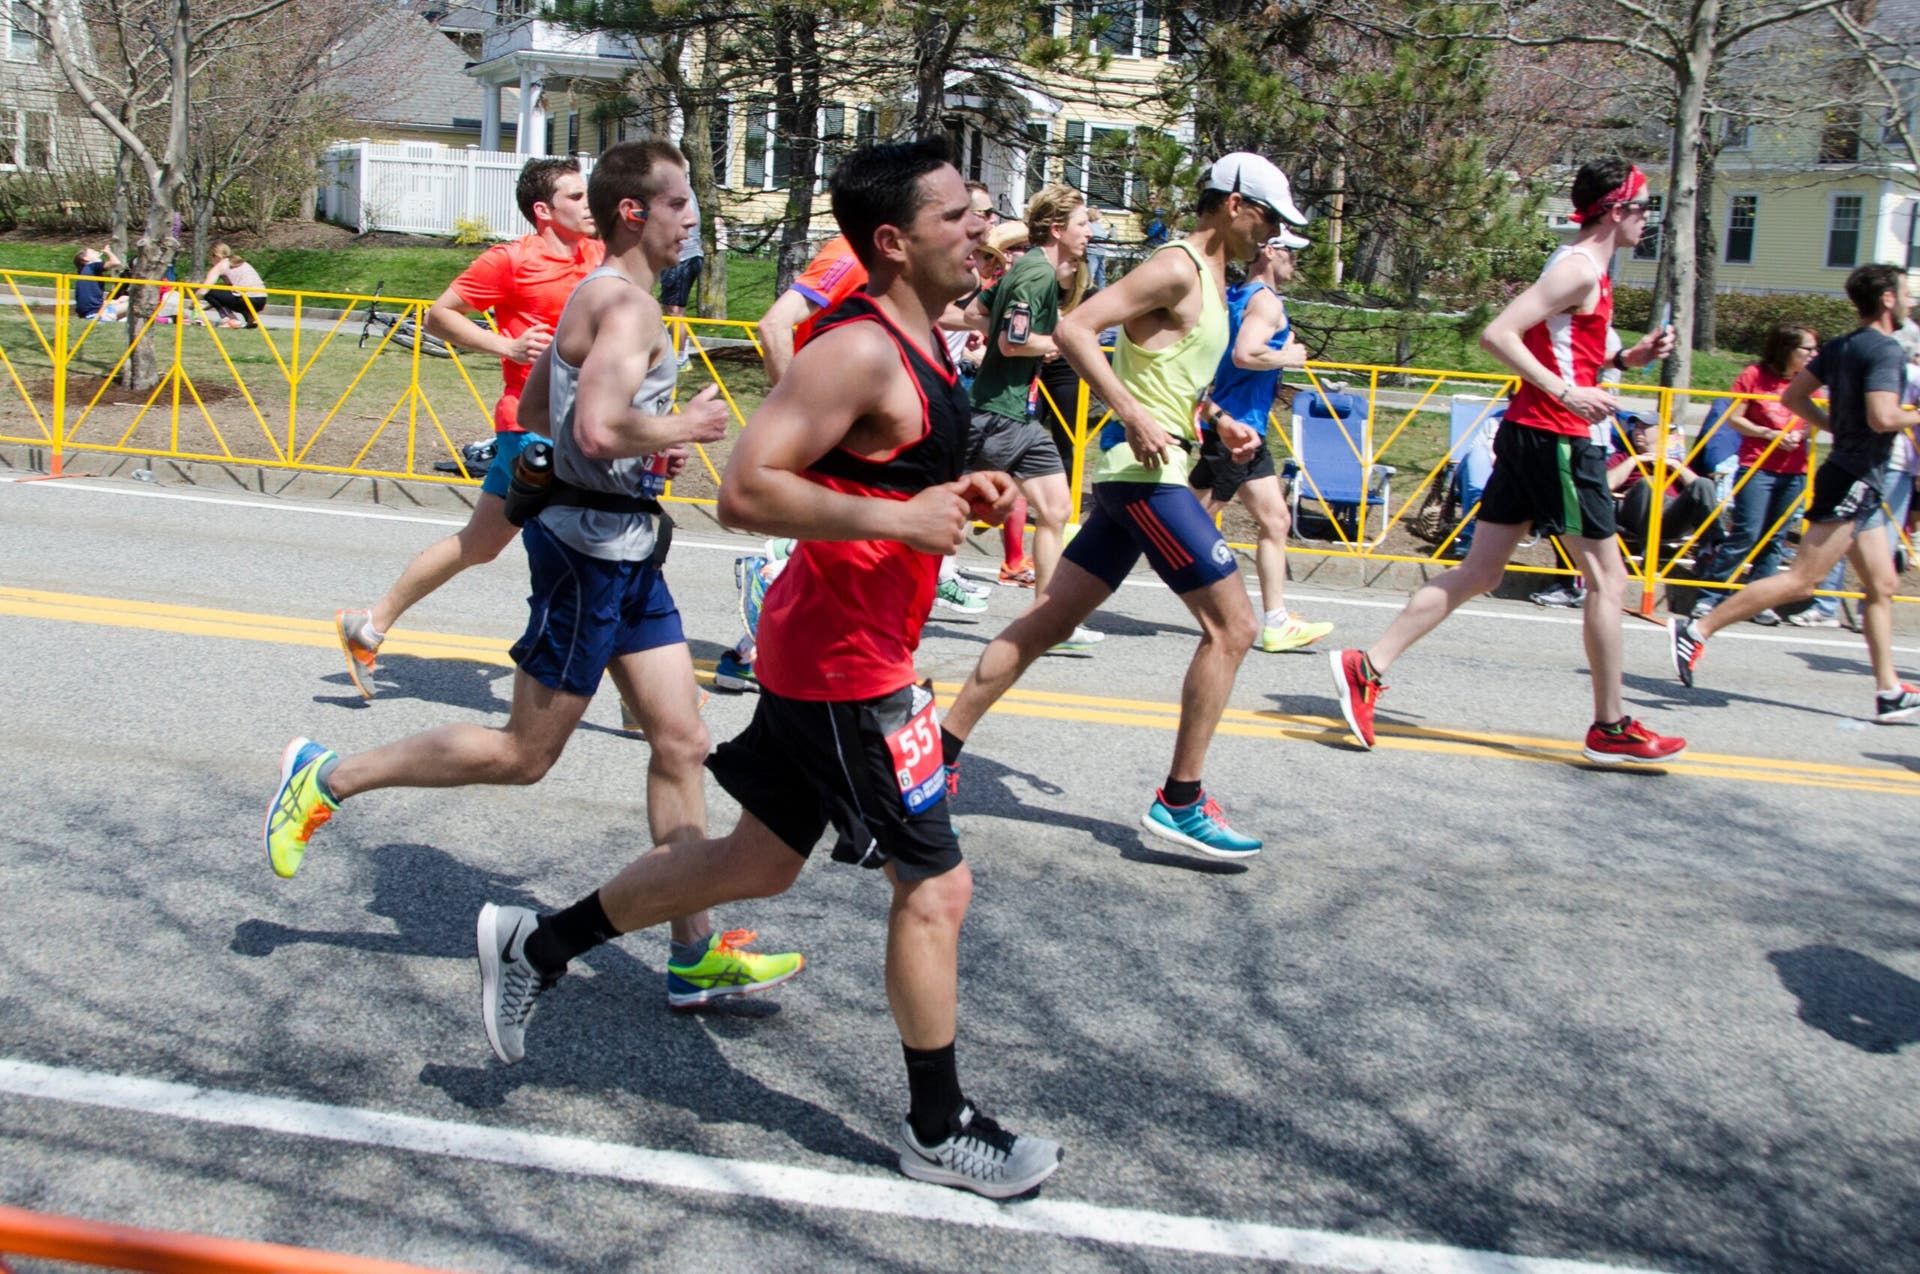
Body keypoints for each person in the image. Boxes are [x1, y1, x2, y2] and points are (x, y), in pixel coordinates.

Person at [470, 139, 1061, 1199]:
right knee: (936, 884)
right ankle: (940, 1124)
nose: (983, 230)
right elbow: (745, 490)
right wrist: (901, 514)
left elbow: (878, 476)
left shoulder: (925, 346)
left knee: (759, 860)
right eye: (960, 217)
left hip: (840, 643)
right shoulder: (859, 349)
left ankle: (537, 944)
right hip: (845, 663)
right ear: (894, 240)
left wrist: (960, 489)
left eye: (980, 213)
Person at [264, 140, 803, 1008]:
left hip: (622, 546)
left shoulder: (599, 296)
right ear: (637, 211)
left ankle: (693, 951)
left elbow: (555, 418)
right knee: (523, 755)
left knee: (682, 739)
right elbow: (592, 431)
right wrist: (682, 430)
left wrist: (629, 465)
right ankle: (326, 778)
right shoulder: (624, 308)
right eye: (681, 211)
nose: (692, 227)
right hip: (589, 559)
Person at [941, 153, 1309, 858]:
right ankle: (1181, 801)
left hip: (1147, 470)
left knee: (1048, 621)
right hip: (1146, 474)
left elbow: (1163, 366)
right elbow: (1080, 331)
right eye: (1267, 218)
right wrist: (1135, 416)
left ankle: (936, 755)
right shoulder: (1175, 265)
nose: (1271, 236)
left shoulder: (1211, 277)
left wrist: (1215, 416)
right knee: (1233, 629)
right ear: (1234, 203)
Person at [1329, 157, 1686, 765]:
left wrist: (1627, 362)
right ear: (1613, 209)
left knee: (1482, 572)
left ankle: (1368, 664)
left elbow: (1568, 352)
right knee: (1607, 579)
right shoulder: (1578, 268)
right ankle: (1610, 725)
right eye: (1642, 206)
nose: (1647, 219)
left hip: (1532, 433)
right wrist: (1567, 392)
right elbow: (1499, 335)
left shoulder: (1589, 268)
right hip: (1558, 437)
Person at [332, 157, 606, 699]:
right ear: (543, 211)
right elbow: (441, 315)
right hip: (533, 429)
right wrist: (505, 344)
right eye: (577, 197)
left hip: (581, 423)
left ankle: (369, 624)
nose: (589, 204)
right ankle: (640, 696)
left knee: (479, 545)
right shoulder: (511, 260)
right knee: (596, 555)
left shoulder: (598, 254)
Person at [1670, 262, 1920, 722]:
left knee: (1881, 584)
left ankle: (1888, 691)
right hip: (1851, 479)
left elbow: (1793, 398)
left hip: (1858, 477)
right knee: (1802, 580)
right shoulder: (1884, 350)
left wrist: (1837, 429)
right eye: (1905, 292)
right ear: (1887, 298)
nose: (1910, 301)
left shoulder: (1844, 345)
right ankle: (1698, 627)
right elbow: (1885, 418)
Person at [961, 186, 1100, 651]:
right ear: (1058, 229)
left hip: (1016, 416)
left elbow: (974, 312)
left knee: (1059, 509)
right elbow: (1012, 344)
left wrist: (1007, 327)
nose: (1089, 232)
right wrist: (1059, 341)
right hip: (996, 415)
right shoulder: (1036, 276)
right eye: (1083, 224)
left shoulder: (1028, 270)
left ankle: (1050, 623)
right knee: (951, 511)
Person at [1192, 228, 1334, 654]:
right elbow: (1244, 354)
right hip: (1237, 428)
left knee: (1274, 521)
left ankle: (1276, 622)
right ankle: (1095, 570)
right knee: (1184, 524)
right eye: (1292, 253)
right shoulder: (1265, 301)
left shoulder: (1240, 293)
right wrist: (1288, 356)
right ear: (1269, 251)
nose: (1297, 262)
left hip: (1241, 424)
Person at [1694, 324, 1817, 623]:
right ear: (1787, 349)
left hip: (1794, 468)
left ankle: (1759, 601)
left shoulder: (1812, 381)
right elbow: (1734, 419)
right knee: (1746, 533)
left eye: (1816, 349)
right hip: (1757, 464)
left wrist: (1800, 436)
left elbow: (1816, 417)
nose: (1814, 354)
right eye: (1808, 349)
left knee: (1774, 538)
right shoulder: (1754, 375)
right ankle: (1710, 595)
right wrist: (1767, 433)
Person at [1607, 410, 1722, 558]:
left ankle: (1713, 548)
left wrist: (1674, 465)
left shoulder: (1674, 463)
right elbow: (1608, 484)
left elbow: (1701, 488)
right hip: (1635, 513)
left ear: (1661, 432)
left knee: (1704, 482)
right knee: (1650, 482)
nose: (1637, 431)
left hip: (1670, 516)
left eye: (1644, 427)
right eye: (1636, 427)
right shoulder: (1623, 457)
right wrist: (1634, 460)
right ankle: (1648, 553)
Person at [657, 189, 704, 363]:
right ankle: (678, 352)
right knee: (675, 311)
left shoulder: (679, 192)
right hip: (689, 255)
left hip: (683, 257)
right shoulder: (685, 191)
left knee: (674, 311)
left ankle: (680, 356)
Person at [201, 243, 267, 328]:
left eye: (210, 258)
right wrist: (210, 305)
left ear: (216, 256)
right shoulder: (239, 262)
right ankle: (252, 320)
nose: (210, 261)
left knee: (209, 291)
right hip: (261, 299)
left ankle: (231, 319)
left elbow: (204, 289)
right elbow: (225, 296)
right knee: (235, 294)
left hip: (247, 299)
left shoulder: (222, 264)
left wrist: (193, 303)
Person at [71, 245, 126, 322]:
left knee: (124, 299)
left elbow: (94, 300)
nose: (97, 252)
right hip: (97, 313)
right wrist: (108, 252)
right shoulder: (91, 266)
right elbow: (115, 262)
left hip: (89, 313)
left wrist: (116, 302)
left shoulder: (84, 273)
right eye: (93, 252)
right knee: (135, 303)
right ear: (86, 258)